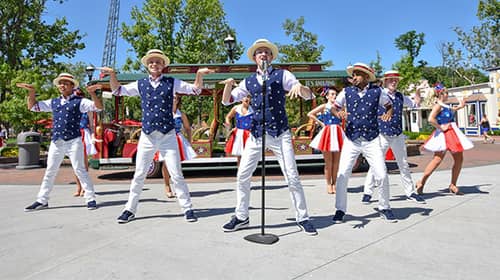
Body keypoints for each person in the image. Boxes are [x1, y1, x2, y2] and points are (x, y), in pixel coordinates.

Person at [101, 49, 213, 223]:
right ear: (147, 65)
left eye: (158, 62)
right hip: (147, 135)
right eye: (151, 62)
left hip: (168, 134)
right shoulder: (141, 84)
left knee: (176, 173)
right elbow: (117, 91)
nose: (154, 64)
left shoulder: (171, 82)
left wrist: (198, 74)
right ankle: (129, 209)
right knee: (139, 173)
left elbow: (196, 90)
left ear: (163, 66)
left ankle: (187, 208)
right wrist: (113, 75)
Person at [220, 38, 318, 235]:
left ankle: (303, 217)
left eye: (266, 52)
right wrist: (229, 86)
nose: (262, 54)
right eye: (259, 52)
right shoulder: (248, 81)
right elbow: (227, 101)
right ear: (255, 58)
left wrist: (302, 88)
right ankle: (241, 216)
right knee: (242, 175)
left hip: (279, 133)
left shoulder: (283, 75)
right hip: (257, 134)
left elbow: (308, 96)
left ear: (271, 57)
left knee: (292, 176)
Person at [17, 73, 103, 211]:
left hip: (74, 140)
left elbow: (98, 107)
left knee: (80, 169)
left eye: (65, 83)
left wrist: (93, 94)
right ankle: (42, 200)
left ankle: (90, 197)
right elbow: (33, 107)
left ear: (72, 86)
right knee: (50, 170)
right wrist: (31, 92)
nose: (62, 85)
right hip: (57, 141)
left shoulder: (80, 101)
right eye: (60, 83)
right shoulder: (54, 102)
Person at [330, 63, 397, 223]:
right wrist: (338, 113)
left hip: (372, 139)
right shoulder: (346, 92)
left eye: (357, 74)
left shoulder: (377, 92)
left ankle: (384, 207)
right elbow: (334, 107)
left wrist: (388, 113)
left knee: (381, 173)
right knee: (342, 174)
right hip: (351, 139)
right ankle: (340, 209)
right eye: (353, 74)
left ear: (366, 77)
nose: (353, 77)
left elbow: (389, 105)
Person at [362, 71, 426, 204]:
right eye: (391, 79)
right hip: (382, 134)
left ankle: (410, 192)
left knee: (403, 164)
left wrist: (418, 90)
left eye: (396, 80)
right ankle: (367, 192)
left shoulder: (400, 96)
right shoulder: (378, 94)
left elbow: (416, 104)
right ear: (385, 81)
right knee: (376, 164)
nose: (393, 82)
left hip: (397, 134)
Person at [416, 84, 473, 195]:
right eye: (446, 92)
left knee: (459, 159)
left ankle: (453, 185)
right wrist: (441, 127)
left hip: (453, 134)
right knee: (437, 160)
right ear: (441, 94)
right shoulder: (438, 106)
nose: (448, 94)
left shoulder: (444, 105)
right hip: (444, 134)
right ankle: (421, 182)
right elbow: (431, 119)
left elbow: (450, 111)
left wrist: (460, 107)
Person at [307, 86, 344, 195]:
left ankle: (335, 184)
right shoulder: (324, 106)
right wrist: (321, 123)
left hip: (337, 131)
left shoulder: (340, 107)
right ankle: (328, 184)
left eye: (335, 94)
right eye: (332, 94)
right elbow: (310, 114)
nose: (334, 96)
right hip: (327, 132)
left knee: (337, 162)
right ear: (327, 96)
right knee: (329, 162)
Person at [161, 95, 196, 198]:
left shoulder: (181, 114)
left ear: (178, 100)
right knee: (166, 164)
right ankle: (167, 186)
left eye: (175, 98)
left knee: (176, 165)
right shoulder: (163, 112)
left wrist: (189, 141)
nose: (173, 99)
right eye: (171, 97)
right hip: (166, 139)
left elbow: (188, 128)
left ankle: (178, 187)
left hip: (177, 139)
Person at [73, 89, 98, 197]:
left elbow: (92, 124)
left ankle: (84, 187)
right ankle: (78, 187)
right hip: (74, 134)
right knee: (75, 164)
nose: (78, 97)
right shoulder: (71, 107)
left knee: (83, 164)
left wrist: (93, 136)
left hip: (84, 134)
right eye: (76, 95)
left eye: (80, 95)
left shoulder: (88, 109)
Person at [223, 96, 253, 166]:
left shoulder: (253, 109)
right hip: (238, 133)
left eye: (249, 97)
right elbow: (228, 117)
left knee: (249, 154)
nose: (247, 99)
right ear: (241, 99)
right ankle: (240, 171)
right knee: (239, 154)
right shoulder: (236, 108)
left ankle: (247, 172)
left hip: (249, 133)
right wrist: (228, 123)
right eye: (245, 97)